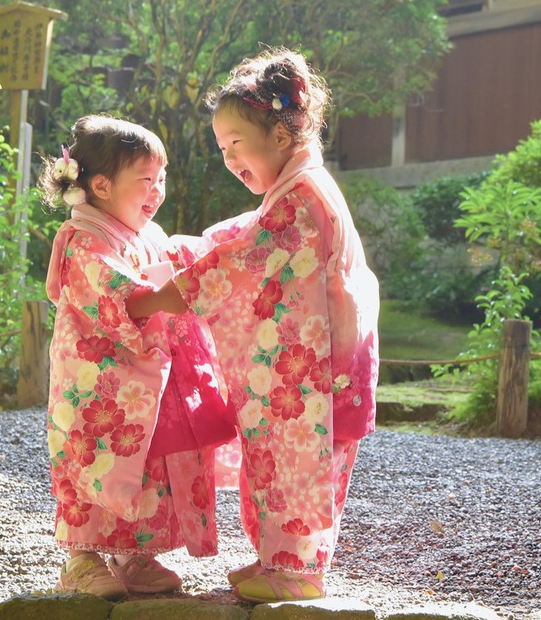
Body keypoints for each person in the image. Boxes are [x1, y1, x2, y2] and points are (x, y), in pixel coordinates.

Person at [127, 49, 380, 603]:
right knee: (275, 456)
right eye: (222, 149)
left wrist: (157, 298)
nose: (228, 158)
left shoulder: (301, 197)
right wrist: (195, 246)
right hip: (304, 364)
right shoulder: (297, 190)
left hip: (311, 370)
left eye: (236, 144)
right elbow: (243, 235)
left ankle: (297, 570)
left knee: (296, 461)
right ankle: (277, 558)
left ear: (282, 137)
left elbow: (240, 259)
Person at [40, 115, 234, 599]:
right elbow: (118, 293)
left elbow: (170, 261)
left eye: (161, 179)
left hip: (140, 375)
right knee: (94, 459)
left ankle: (133, 555)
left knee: (145, 462)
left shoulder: (141, 232)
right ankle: (81, 560)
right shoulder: (84, 238)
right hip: (95, 382)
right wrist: (170, 295)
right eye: (145, 180)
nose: (157, 191)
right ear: (101, 185)